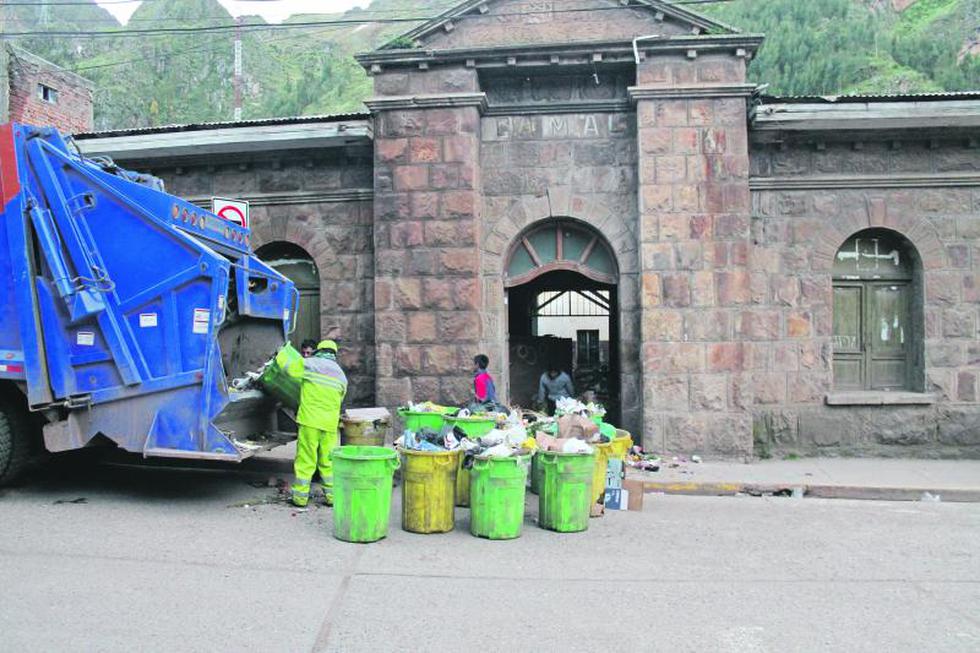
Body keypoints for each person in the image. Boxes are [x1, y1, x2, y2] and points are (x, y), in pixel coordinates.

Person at [277, 339, 347, 507]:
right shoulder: (341, 375)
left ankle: (300, 498)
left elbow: (289, 370)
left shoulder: (310, 364)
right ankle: (332, 497)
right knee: (328, 461)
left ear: (319, 350)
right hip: (330, 424)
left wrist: (281, 352)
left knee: (306, 459)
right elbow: (341, 398)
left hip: (310, 421)